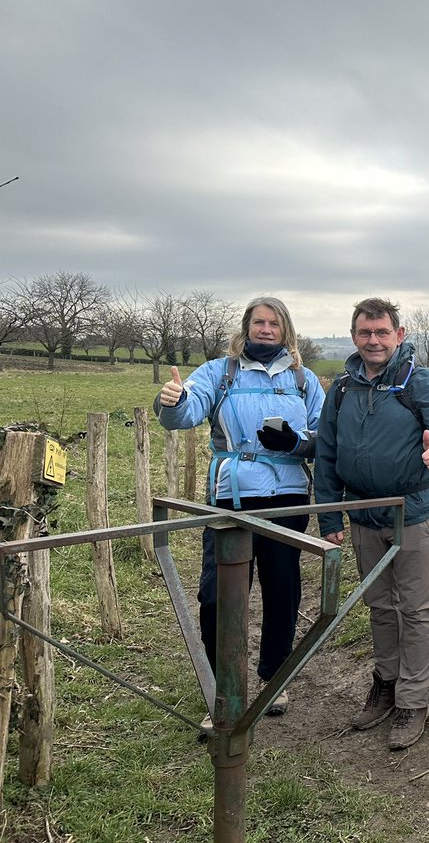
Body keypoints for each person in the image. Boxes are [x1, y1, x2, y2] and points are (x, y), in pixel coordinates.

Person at [154, 296, 325, 726]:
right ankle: (222, 688)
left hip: (287, 498)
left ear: (286, 330)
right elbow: (184, 414)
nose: (266, 330)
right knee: (217, 594)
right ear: (246, 327)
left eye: (274, 323)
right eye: (258, 322)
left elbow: (327, 437)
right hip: (232, 496)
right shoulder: (219, 371)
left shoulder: (304, 379)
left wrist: (297, 443)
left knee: (282, 591)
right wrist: (172, 400)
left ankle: (275, 678)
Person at [314, 296, 429, 750]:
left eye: (382, 332)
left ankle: (413, 700)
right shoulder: (341, 388)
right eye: (365, 332)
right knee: (379, 606)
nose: (374, 340)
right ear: (354, 336)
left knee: (416, 610)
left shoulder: (420, 382)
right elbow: (326, 451)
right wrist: (329, 514)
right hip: (362, 515)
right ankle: (386, 682)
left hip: (411, 514)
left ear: (399, 336)